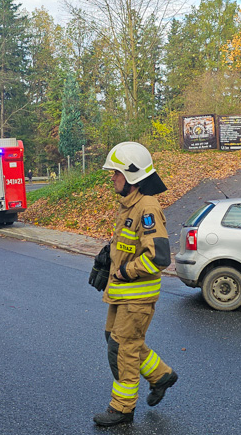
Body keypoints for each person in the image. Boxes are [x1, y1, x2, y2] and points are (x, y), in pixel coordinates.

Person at [93, 142, 178, 427]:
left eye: (116, 173)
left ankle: (122, 409)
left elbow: (160, 257)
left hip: (136, 297)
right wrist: (109, 258)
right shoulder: (129, 205)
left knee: (123, 349)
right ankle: (161, 375)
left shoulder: (147, 207)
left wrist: (126, 271)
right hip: (121, 295)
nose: (112, 178)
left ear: (132, 175)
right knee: (115, 340)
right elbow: (130, 245)